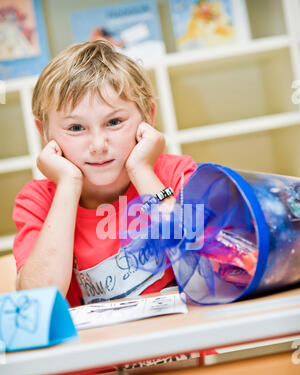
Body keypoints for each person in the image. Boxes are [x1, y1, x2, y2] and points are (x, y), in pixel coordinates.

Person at [13, 39, 196, 307]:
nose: (98, 145)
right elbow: (38, 299)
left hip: (182, 347)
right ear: (44, 132)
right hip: (98, 350)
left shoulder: (174, 174)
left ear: (148, 115)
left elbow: (206, 261)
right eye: (76, 128)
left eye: (113, 122)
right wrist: (68, 185)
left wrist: (142, 171)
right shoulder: (37, 202)